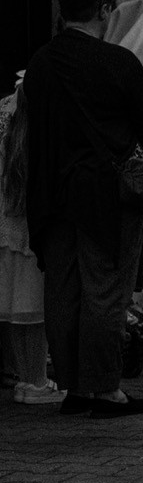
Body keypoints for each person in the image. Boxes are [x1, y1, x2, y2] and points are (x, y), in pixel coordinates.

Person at [24, 0, 143, 418]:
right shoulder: (118, 63)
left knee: (63, 292)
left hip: (50, 195)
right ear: (104, 9)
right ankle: (105, 390)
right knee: (104, 291)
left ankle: (74, 388)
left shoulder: (41, 64)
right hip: (105, 196)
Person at [0, 78, 64, 404]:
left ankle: (24, 379)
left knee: (13, 310)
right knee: (34, 312)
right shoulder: (37, 136)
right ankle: (36, 381)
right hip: (29, 235)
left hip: (5, 232)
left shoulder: (7, 133)